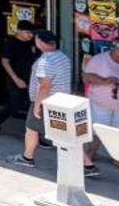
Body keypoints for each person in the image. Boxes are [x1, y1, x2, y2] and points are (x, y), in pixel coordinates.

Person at [9, 27, 72, 169]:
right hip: (61, 101)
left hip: (46, 102)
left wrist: (37, 105)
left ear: (39, 41)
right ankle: (87, 165)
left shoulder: (45, 61)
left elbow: (44, 85)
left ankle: (27, 158)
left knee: (31, 128)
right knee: (66, 135)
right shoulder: (62, 57)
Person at [0, 21, 41, 135]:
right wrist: (16, 79)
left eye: (31, 33)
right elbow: (5, 61)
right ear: (18, 31)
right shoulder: (11, 43)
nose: (30, 35)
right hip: (15, 78)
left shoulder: (32, 43)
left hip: (31, 78)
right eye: (27, 32)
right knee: (15, 104)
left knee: (33, 104)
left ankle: (36, 133)